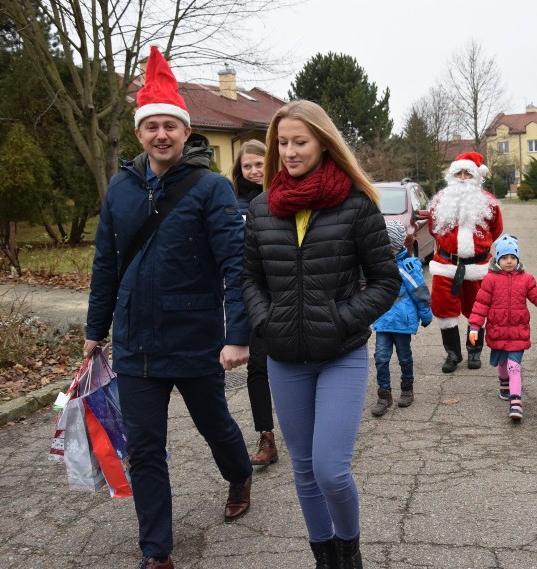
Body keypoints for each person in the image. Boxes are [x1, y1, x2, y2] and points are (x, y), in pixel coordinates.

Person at [84, 46, 253, 569]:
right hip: (135, 343)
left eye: (170, 127)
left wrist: (237, 334)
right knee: (146, 451)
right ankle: (157, 552)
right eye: (151, 126)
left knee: (215, 426)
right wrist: (96, 329)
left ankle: (239, 472)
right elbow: (106, 263)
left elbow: (235, 266)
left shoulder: (211, 188)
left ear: (185, 133)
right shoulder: (120, 188)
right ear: (139, 133)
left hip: (194, 336)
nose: (161, 135)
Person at [241, 99, 400, 568]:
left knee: (330, 469)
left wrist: (342, 318)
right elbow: (249, 278)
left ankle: (349, 552)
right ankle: (324, 558)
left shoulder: (356, 205)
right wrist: (266, 321)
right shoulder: (262, 207)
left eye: (300, 141)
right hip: (284, 357)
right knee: (305, 471)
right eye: (282, 143)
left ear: (324, 142)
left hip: (340, 354)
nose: (289, 151)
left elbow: (386, 280)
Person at [468, 234, 537, 421]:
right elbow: (481, 305)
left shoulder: (526, 279)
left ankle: (516, 403)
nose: (509, 261)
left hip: (518, 332)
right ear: (497, 260)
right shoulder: (490, 280)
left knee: (514, 366)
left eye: (513, 257)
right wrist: (474, 327)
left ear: (518, 259)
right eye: (504, 258)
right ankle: (504, 383)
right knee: (502, 364)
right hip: (498, 330)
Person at [428, 151, 503, 373]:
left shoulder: (488, 202)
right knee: (444, 311)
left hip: (477, 268)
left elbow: (496, 230)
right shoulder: (440, 201)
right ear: (452, 175)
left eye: (467, 174)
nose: (462, 177)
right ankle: (452, 354)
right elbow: (434, 229)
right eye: (458, 173)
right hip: (445, 265)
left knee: (476, 310)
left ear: (476, 177)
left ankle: (474, 352)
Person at [230, 140, 279, 465]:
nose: (253, 171)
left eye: (259, 164)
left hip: (286, 291)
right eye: (247, 166)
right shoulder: (232, 203)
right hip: (254, 293)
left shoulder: (281, 197)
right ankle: (267, 437)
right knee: (257, 369)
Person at [370, 220, 433, 417]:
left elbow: (420, 292)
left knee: (404, 357)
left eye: (388, 247)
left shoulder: (408, 266)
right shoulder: (377, 266)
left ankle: (407, 388)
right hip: (382, 322)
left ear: (397, 246)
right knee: (380, 358)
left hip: (402, 323)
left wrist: (426, 313)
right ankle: (384, 393)